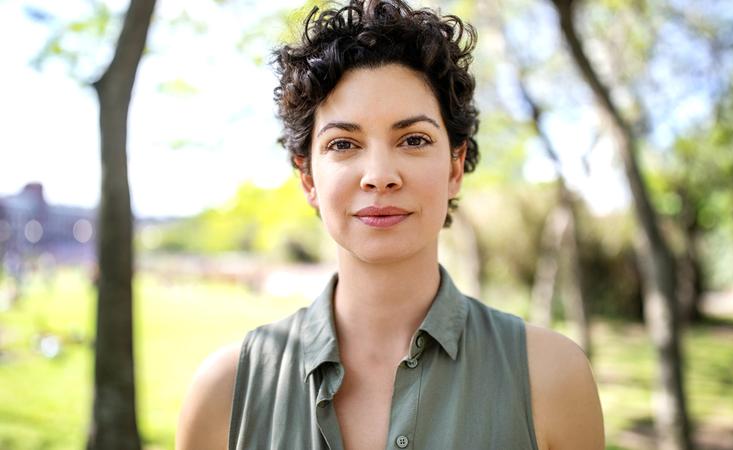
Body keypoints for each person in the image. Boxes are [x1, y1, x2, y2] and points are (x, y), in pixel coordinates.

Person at [176, 1, 604, 449]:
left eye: (413, 139)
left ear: (455, 167)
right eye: (343, 143)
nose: (379, 174)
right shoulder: (223, 395)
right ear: (308, 178)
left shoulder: (552, 378)